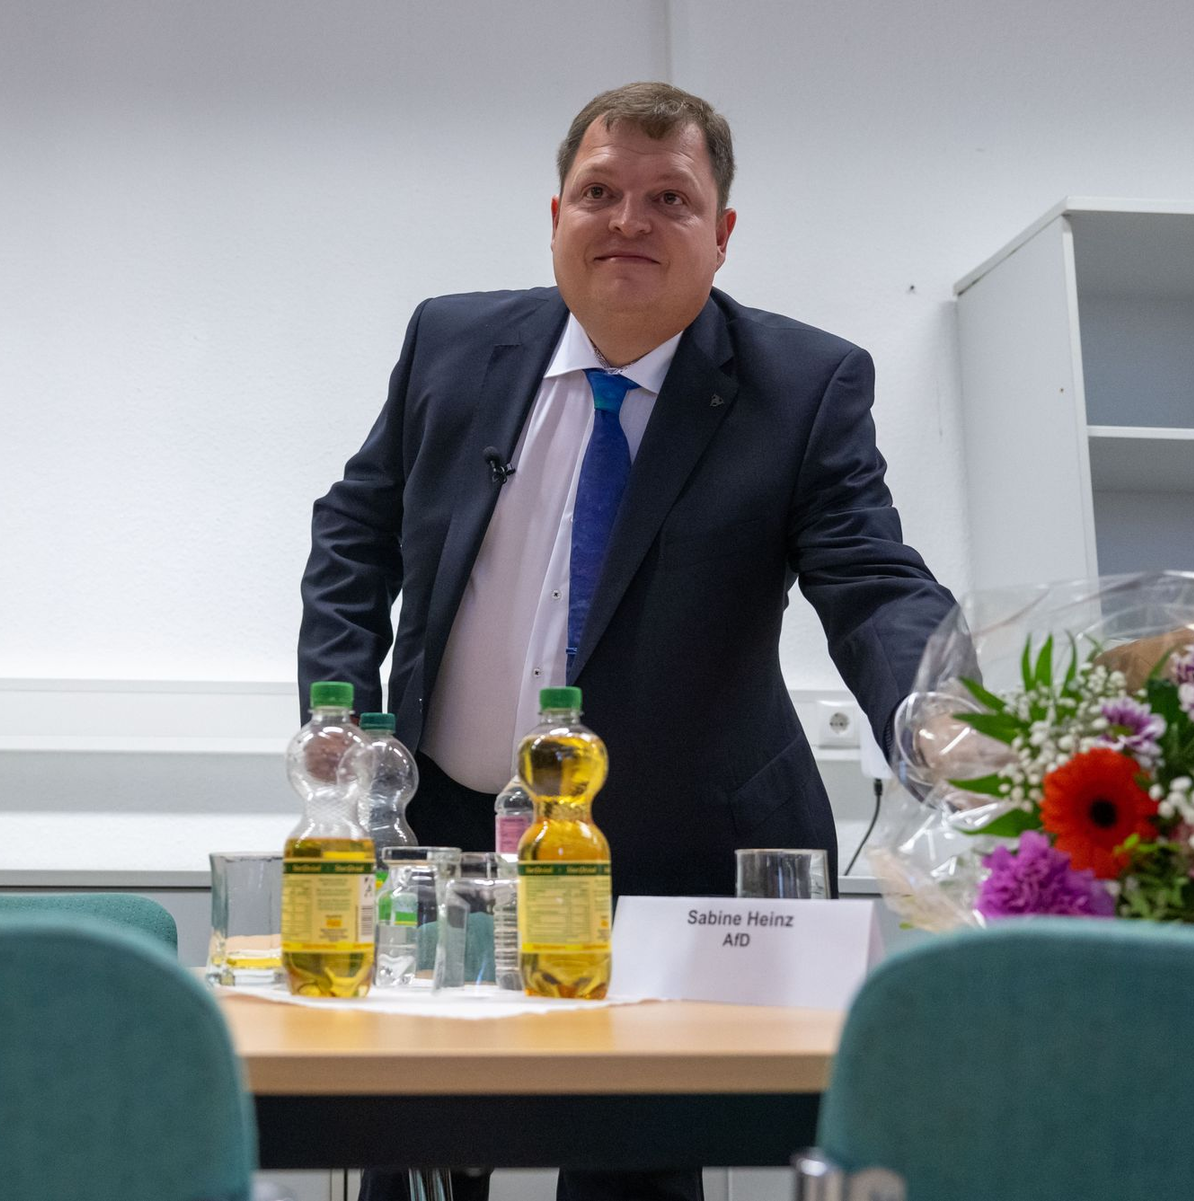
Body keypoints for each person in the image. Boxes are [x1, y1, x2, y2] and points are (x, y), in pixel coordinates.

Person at [298, 82, 957, 1201]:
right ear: (556, 211)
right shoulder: (453, 343)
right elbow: (355, 527)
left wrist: (937, 710)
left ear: (722, 232)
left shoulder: (803, 387)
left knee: (630, 1164)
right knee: (413, 1136)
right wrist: (337, 709)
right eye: (599, 193)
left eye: (669, 198)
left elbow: (869, 576)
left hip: (670, 845)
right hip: (448, 825)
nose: (629, 222)